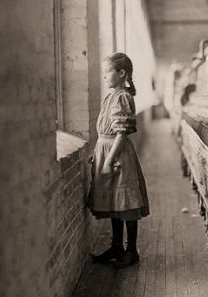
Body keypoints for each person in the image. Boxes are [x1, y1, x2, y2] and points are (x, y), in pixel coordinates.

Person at [87, 53, 150, 269]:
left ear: (121, 73)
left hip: (118, 154)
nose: (104, 76)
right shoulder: (111, 96)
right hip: (107, 149)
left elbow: (122, 133)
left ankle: (131, 250)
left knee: (127, 202)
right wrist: (98, 153)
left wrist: (108, 160)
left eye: (107, 72)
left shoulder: (123, 96)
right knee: (115, 201)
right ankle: (116, 247)